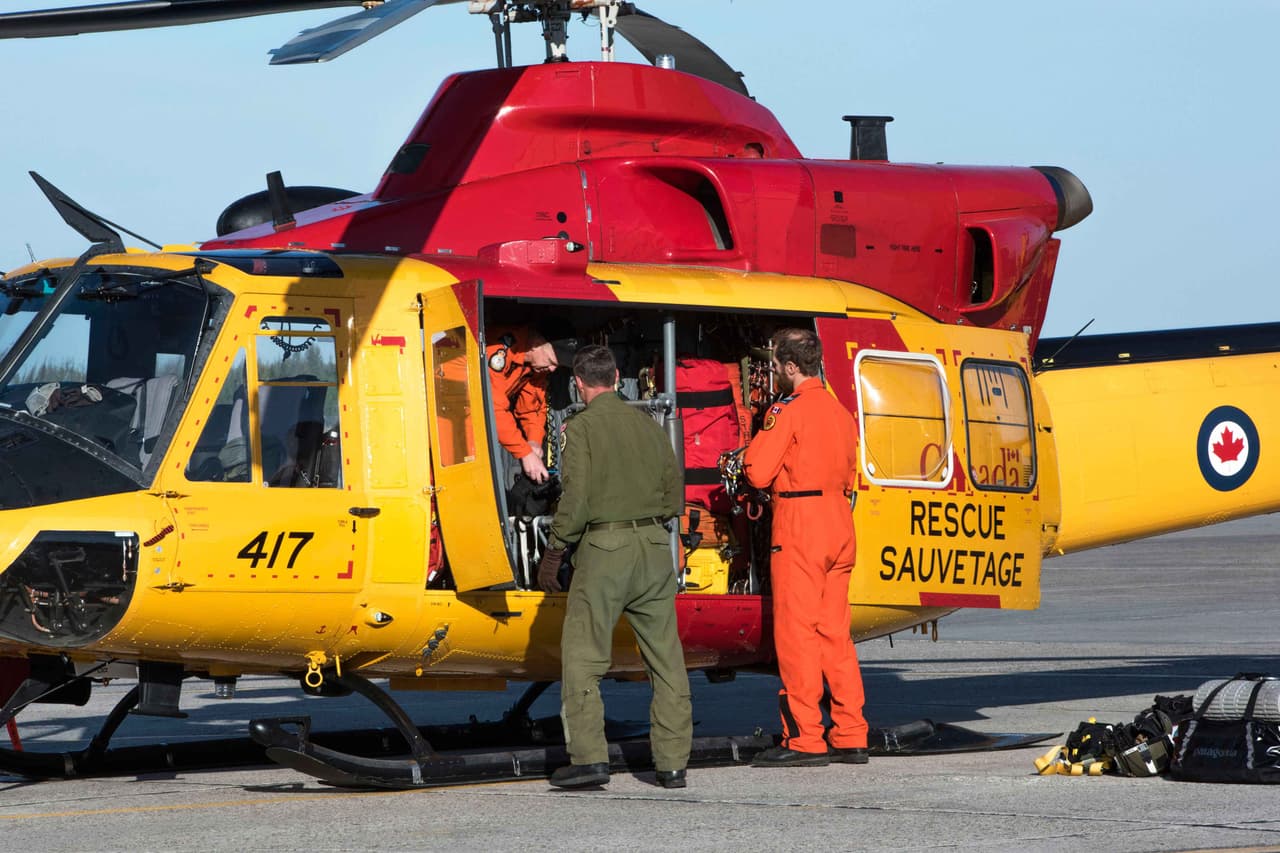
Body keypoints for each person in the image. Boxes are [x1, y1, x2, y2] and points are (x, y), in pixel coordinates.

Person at [536, 344, 692, 790]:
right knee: (666, 658)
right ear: (618, 376)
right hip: (652, 546)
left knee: (584, 655)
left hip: (604, 549)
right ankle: (673, 764)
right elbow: (673, 493)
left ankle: (589, 759)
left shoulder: (579, 428)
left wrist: (555, 552)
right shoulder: (648, 425)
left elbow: (577, 498)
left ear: (579, 383)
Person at [743, 328, 869, 767]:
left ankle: (806, 738)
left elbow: (757, 471)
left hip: (801, 524)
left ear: (791, 367)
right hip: (839, 520)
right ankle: (852, 733)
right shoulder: (839, 411)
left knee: (796, 634)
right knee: (835, 634)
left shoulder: (787, 410)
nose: (773, 370)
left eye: (776, 363)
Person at [485, 325, 576, 484]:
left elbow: (532, 409)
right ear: (536, 345)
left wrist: (533, 441)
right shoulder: (500, 351)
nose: (553, 369)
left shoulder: (535, 368)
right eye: (551, 361)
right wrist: (525, 453)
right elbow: (493, 407)